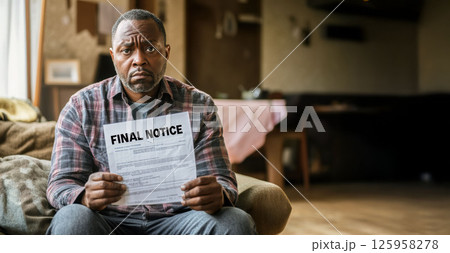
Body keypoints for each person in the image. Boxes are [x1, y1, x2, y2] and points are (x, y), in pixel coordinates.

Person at [46, 9, 256, 235]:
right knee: (72, 218)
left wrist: (219, 195)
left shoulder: (199, 105)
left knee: (235, 222)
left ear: (166, 52)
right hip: (108, 221)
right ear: (113, 55)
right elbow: (60, 184)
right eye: (126, 50)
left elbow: (221, 179)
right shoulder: (81, 107)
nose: (139, 60)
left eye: (150, 48)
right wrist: (85, 196)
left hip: (180, 221)